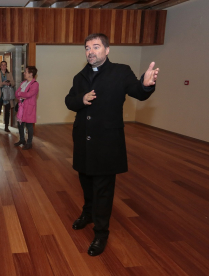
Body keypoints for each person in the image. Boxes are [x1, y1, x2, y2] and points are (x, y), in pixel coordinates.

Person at [65, 33, 159, 256]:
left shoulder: (121, 71)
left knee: (103, 190)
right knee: (86, 182)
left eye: (96, 47)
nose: (91, 51)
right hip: (83, 141)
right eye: (87, 48)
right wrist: (82, 100)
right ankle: (87, 214)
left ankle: (101, 233)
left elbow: (137, 91)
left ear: (107, 50)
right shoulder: (79, 77)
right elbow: (69, 100)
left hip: (107, 143)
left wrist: (146, 85)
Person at [14, 66, 39, 150]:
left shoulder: (35, 84)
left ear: (31, 74)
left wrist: (21, 94)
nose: (24, 73)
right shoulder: (24, 83)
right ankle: (22, 140)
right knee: (20, 124)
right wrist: (22, 94)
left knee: (29, 125)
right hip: (22, 107)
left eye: (26, 72)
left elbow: (29, 94)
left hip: (29, 108)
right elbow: (16, 93)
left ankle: (29, 142)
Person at [0, 61, 15, 132]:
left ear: (6, 66)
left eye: (5, 65)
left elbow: (13, 83)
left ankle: (6, 127)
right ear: (0, 66)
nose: (3, 66)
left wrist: (9, 83)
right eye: (2, 65)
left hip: (7, 95)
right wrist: (2, 83)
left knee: (7, 112)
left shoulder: (9, 73)